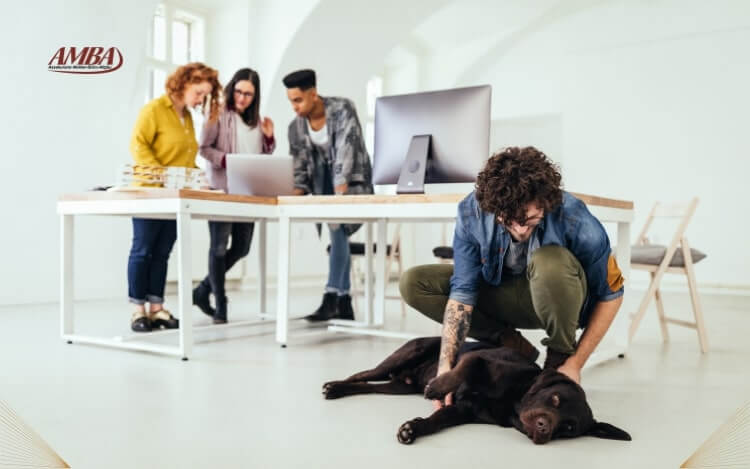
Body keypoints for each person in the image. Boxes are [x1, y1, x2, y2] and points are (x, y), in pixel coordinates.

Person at [399, 146, 625, 408]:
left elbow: (612, 295)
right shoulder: (471, 213)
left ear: (546, 202)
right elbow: (463, 293)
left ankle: (558, 357)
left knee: (549, 261)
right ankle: (510, 343)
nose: (519, 230)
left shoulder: (575, 218)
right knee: (414, 282)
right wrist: (445, 367)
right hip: (504, 294)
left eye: (529, 220)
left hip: (559, 299)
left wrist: (574, 364)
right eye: (509, 221)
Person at [128, 62, 222, 332]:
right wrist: (161, 174)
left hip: (175, 195)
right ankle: (138, 310)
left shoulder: (189, 119)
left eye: (204, 94)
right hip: (150, 191)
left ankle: (157, 308)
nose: (201, 99)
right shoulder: (154, 110)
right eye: (198, 92)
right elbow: (138, 144)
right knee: (142, 250)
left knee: (162, 252)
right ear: (183, 84)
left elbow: (185, 158)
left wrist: (199, 178)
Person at [282, 69, 373, 321]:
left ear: (313, 94)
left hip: (351, 179)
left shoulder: (343, 108)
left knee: (338, 228)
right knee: (337, 230)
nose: (294, 107)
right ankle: (342, 302)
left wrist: (339, 190)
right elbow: (299, 164)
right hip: (321, 181)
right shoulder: (295, 127)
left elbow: (348, 148)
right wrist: (292, 196)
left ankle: (333, 296)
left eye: (298, 100)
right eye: (290, 101)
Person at [193, 68, 276, 324]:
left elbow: (262, 157)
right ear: (232, 89)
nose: (242, 98)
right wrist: (225, 160)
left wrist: (269, 138)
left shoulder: (256, 121)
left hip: (248, 192)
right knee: (218, 248)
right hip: (222, 190)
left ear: (255, 96)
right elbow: (204, 148)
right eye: (238, 91)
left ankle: (202, 289)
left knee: (241, 248)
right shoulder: (218, 113)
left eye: (248, 94)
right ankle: (221, 302)